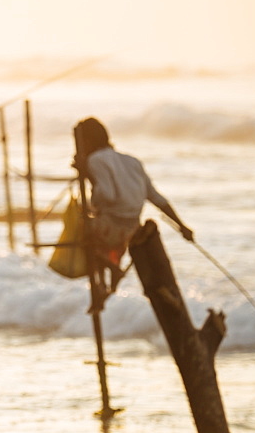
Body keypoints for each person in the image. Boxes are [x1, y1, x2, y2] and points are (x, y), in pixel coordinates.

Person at [74, 117, 193, 311]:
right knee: (103, 240)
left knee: (82, 229)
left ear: (85, 142)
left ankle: (105, 281)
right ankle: (107, 285)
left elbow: (107, 195)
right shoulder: (132, 161)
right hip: (132, 228)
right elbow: (156, 198)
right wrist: (182, 227)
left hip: (111, 226)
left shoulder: (95, 160)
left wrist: (86, 177)